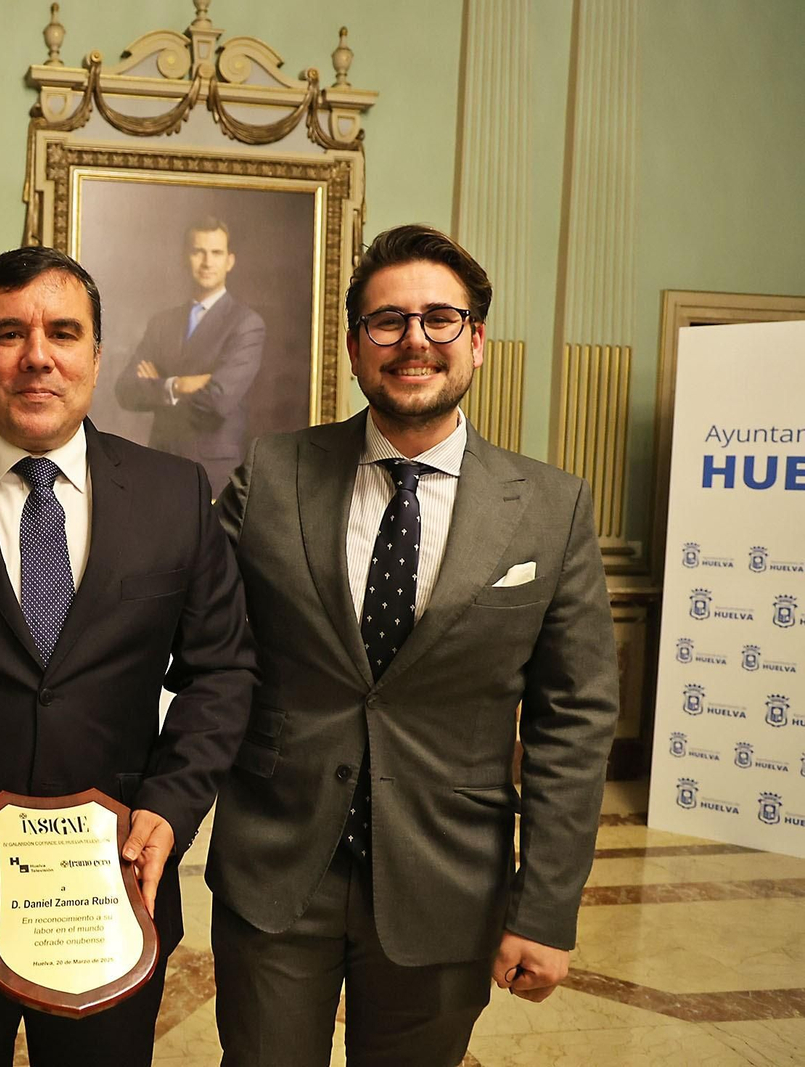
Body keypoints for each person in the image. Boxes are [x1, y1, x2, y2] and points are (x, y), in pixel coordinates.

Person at [208, 224, 619, 1066]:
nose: (414, 342)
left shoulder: (552, 507)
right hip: (278, 868)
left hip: (448, 883)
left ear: (475, 340)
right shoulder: (271, 473)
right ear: (356, 347)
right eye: (387, 322)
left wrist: (545, 908)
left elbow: (572, 721)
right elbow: (203, 650)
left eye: (440, 319)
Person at [0, 245, 256, 1066]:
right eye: (8, 333)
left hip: (113, 899)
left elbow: (223, 671)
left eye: (64, 332)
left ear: (96, 356)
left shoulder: (175, 495)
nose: (37, 355)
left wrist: (170, 809)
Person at [114, 217, 266, 495]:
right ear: (186, 257)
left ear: (230, 261)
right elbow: (125, 390)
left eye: (216, 253)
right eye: (199, 252)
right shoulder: (162, 322)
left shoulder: (246, 323)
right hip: (159, 462)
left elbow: (218, 400)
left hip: (213, 472)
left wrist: (159, 385)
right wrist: (179, 385)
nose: (207, 262)